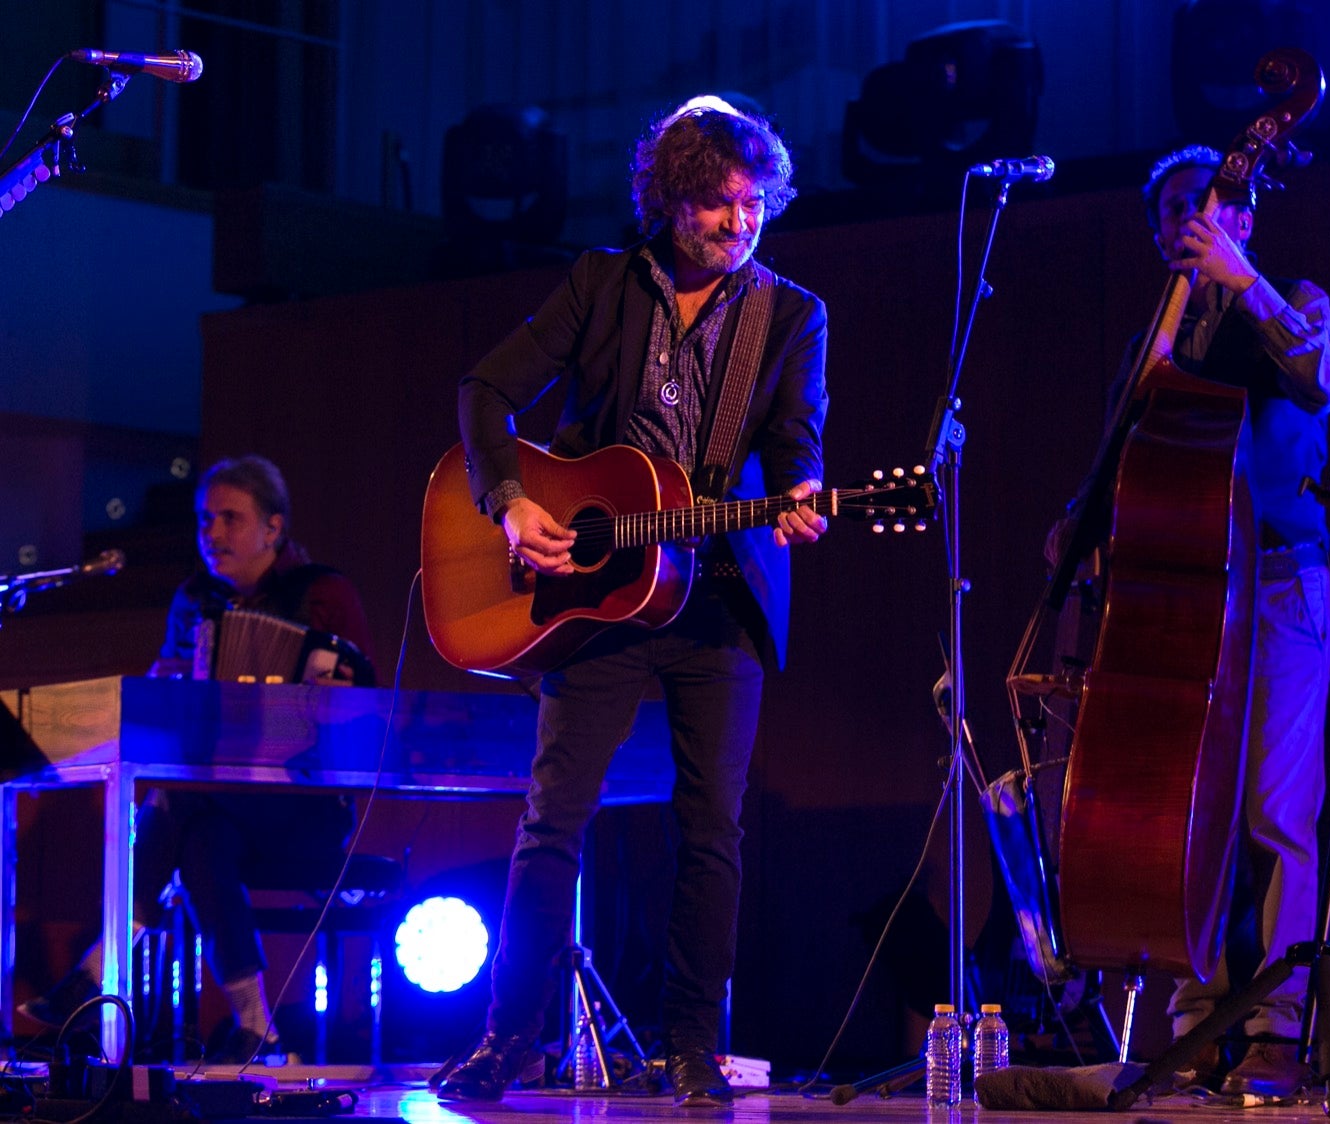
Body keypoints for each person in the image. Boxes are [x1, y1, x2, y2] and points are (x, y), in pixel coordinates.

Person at [432, 96, 827, 1108]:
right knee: (552, 818)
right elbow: (485, 390)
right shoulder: (602, 283)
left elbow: (796, 442)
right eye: (717, 204)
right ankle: (508, 1038)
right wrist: (510, 499)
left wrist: (801, 494)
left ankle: (692, 1044)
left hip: (718, 590)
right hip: (594, 587)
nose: (739, 223)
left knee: (711, 827)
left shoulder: (791, 315)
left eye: (754, 204)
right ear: (671, 200)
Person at [1053, 145, 1330, 1097]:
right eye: (1176, 210)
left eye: (1209, 203)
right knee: (1191, 810)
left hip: (1281, 587)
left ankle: (1277, 1029)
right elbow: (1130, 464)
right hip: (1186, 603)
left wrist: (1242, 281)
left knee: (1274, 814)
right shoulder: (1159, 335)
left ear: (1243, 217)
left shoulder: (1293, 298)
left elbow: (1327, 382)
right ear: (1158, 235)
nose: (1194, 219)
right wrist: (1081, 521)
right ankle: (1192, 1024)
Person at [22, 455, 373, 1064]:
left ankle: (97, 969)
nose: (212, 533)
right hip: (218, 806)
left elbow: (366, 711)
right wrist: (167, 684)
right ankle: (258, 1029)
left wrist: (340, 696)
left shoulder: (323, 594)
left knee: (179, 802)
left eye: (230, 519)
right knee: (202, 838)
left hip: (306, 807)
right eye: (205, 519)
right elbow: (167, 706)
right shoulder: (195, 599)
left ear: (273, 527)